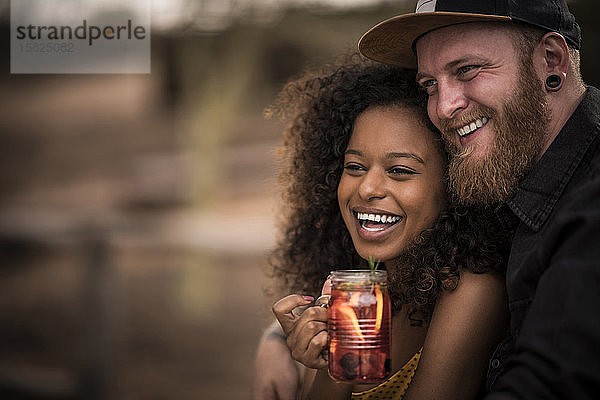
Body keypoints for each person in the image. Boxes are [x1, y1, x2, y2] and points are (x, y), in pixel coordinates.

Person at [357, 0, 600, 399]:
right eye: (429, 85)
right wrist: (283, 337)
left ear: (552, 61)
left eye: (467, 69)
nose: (444, 107)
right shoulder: (508, 172)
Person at [254, 58, 509, 400]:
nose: (367, 188)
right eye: (355, 166)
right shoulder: (362, 289)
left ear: (454, 185)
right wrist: (328, 359)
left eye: (400, 171)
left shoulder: (470, 288)